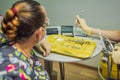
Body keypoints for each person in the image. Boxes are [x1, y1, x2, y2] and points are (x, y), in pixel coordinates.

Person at [0, 0, 51, 80]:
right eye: (46, 23)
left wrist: (35, 43)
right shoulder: (16, 73)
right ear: (39, 32)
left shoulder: (9, 41)